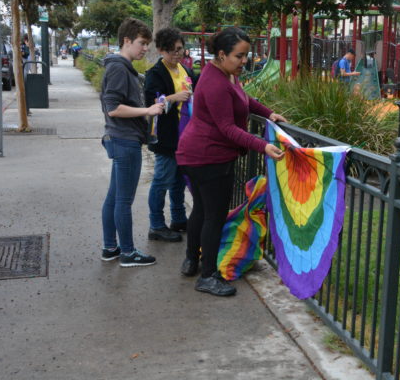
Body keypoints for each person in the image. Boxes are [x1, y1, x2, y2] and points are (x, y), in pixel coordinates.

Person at [176, 27, 286, 296]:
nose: (244, 61)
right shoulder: (215, 82)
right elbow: (228, 128)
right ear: (222, 54)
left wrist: (270, 114)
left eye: (246, 55)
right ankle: (209, 275)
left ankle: (192, 260)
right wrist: (263, 146)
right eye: (240, 56)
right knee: (213, 216)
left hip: (198, 154)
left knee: (201, 210)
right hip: (208, 157)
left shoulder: (224, 74)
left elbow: (246, 101)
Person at [100, 18, 165, 267]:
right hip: (124, 140)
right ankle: (127, 252)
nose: (145, 48)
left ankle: (110, 248)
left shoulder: (121, 67)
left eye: (147, 44)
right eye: (142, 43)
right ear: (126, 41)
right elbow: (114, 108)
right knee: (123, 201)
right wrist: (147, 111)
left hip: (120, 138)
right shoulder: (118, 68)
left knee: (114, 198)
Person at [144, 28, 197, 242]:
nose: (177, 55)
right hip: (166, 137)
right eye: (172, 51)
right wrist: (174, 97)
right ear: (161, 51)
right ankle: (156, 225)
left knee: (178, 181)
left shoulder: (185, 70)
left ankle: (178, 219)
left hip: (184, 136)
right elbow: (150, 104)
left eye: (180, 50)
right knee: (162, 180)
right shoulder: (155, 74)